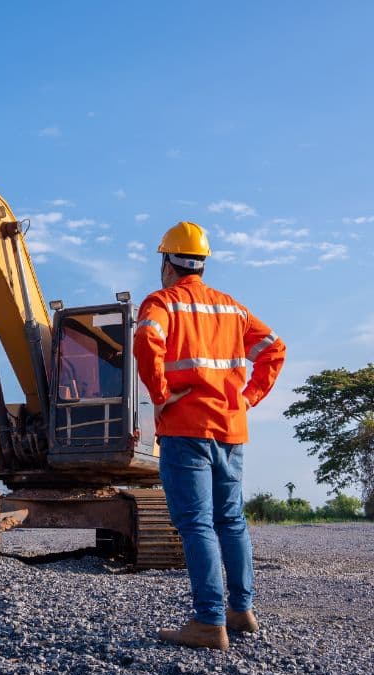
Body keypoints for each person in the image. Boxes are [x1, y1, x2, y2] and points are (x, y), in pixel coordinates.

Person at [132, 221, 287, 650]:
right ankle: (241, 611)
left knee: (197, 523)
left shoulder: (162, 302)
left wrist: (160, 394)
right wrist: (249, 398)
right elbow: (275, 348)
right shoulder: (231, 309)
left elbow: (146, 337)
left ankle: (208, 622)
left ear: (167, 263)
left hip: (186, 430)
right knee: (231, 521)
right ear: (200, 263)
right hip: (231, 430)